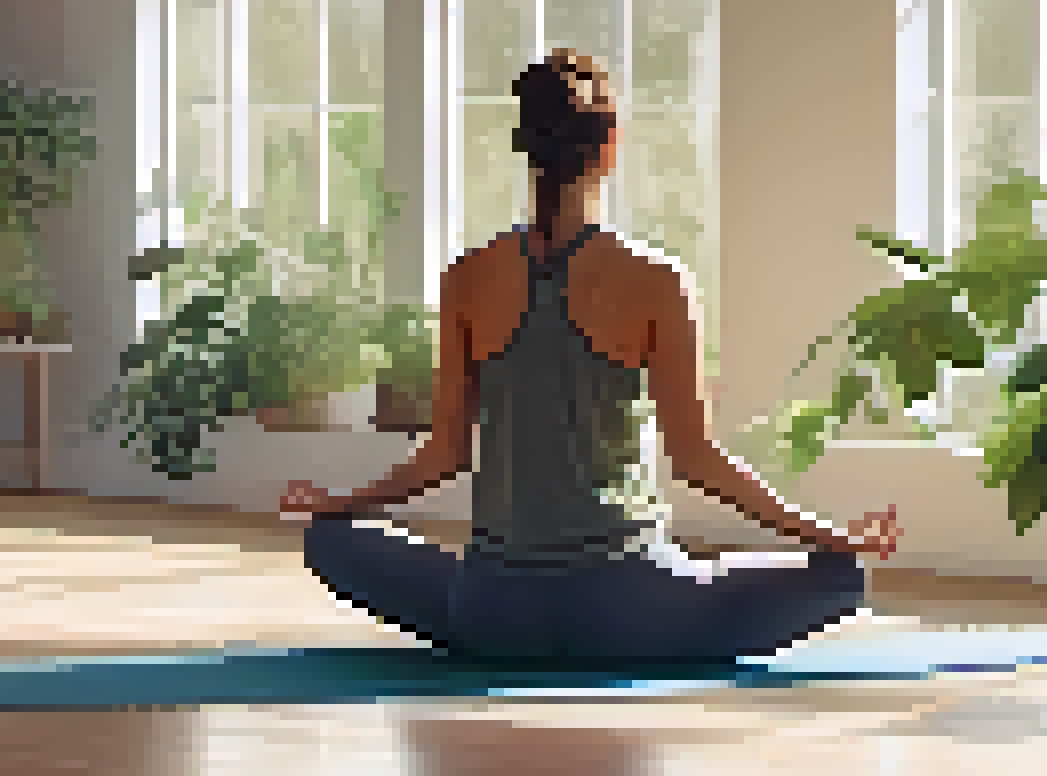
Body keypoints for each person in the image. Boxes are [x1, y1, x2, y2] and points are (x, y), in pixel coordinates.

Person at [281, 48, 900, 663]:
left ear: (526, 147)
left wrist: (334, 503)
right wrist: (824, 534)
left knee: (333, 542)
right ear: (608, 146)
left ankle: (497, 626)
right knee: (840, 579)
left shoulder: (467, 278)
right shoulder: (656, 280)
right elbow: (696, 460)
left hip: (497, 612)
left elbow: (443, 456)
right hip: (632, 607)